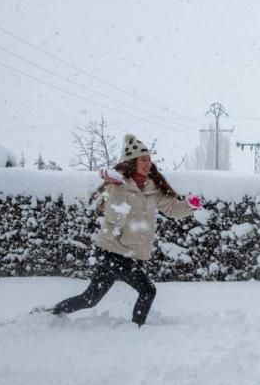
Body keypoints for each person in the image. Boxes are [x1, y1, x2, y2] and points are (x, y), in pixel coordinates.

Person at [39, 134, 201, 326]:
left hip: (129, 254)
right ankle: (136, 329)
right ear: (132, 162)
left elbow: (172, 209)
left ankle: (49, 313)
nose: (147, 163)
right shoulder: (117, 185)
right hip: (112, 251)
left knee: (90, 298)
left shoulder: (152, 188)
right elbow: (113, 218)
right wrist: (116, 190)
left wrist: (190, 205)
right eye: (143, 159)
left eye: (149, 159)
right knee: (148, 291)